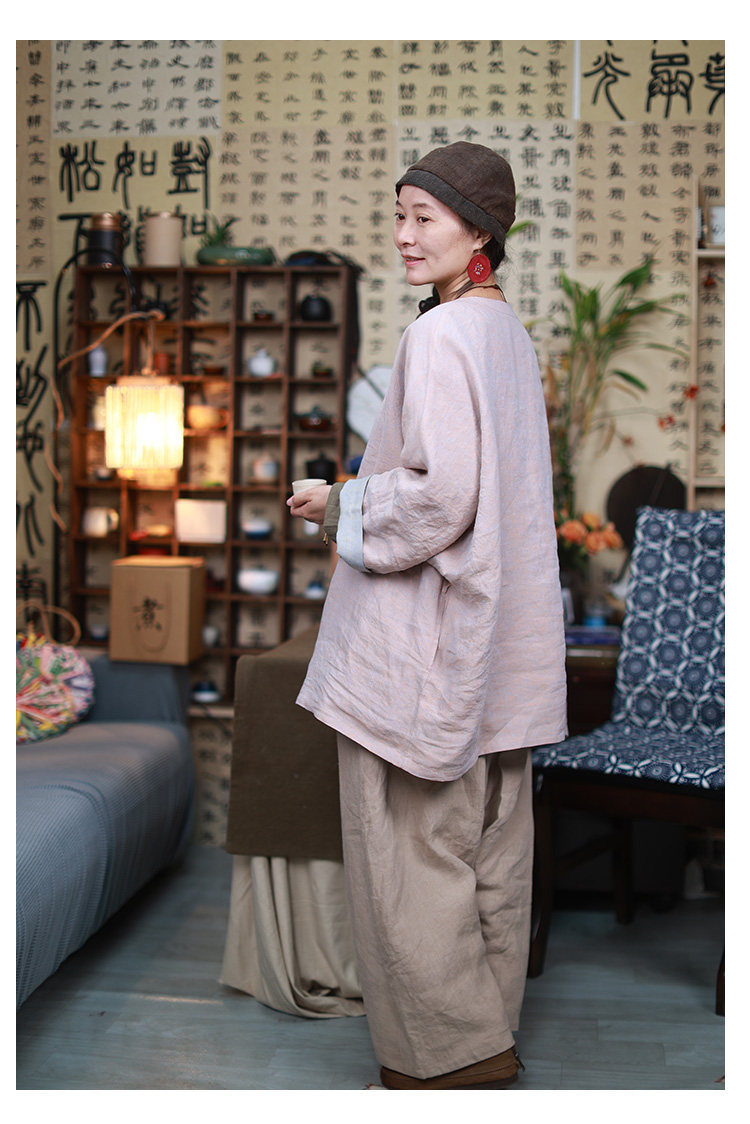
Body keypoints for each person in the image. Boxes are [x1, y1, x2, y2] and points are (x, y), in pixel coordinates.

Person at [287, 141, 567, 1090]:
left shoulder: (440, 336)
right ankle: (489, 1039)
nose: (404, 236)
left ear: (478, 232)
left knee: (409, 858)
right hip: (499, 647)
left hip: (427, 645)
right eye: (398, 215)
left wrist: (341, 503)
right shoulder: (505, 331)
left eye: (425, 218)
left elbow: (443, 496)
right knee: (491, 851)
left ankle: (445, 1061)